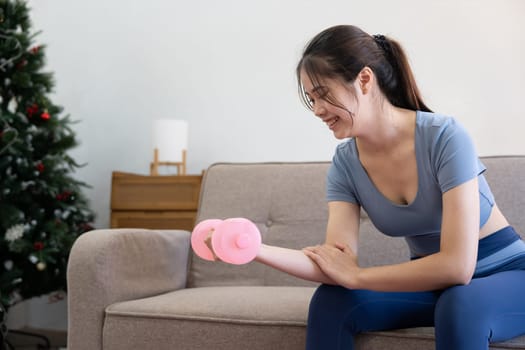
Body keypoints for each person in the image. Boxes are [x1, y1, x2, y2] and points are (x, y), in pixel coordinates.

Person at [207, 24, 525, 349]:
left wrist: (358, 276)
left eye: (323, 94)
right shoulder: (346, 163)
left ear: (364, 80)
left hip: (508, 275)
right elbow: (335, 262)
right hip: (435, 285)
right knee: (333, 301)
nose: (317, 110)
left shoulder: (444, 137)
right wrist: (250, 248)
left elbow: (457, 267)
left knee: (461, 306)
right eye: (311, 99)